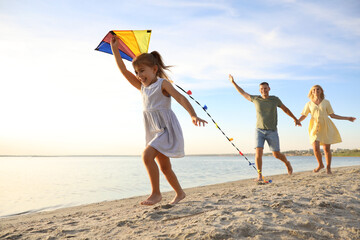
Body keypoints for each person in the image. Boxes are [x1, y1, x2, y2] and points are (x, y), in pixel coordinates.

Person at [110, 36, 207, 205]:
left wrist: (192, 114)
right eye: (137, 72)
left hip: (165, 129)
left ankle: (156, 193)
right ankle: (180, 193)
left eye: (142, 70)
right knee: (164, 167)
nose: (139, 75)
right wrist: (115, 50)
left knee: (146, 155)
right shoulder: (142, 87)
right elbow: (123, 71)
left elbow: (181, 98)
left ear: (154, 69)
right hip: (153, 129)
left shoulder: (163, 84)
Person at [229, 74, 300, 182]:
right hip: (259, 130)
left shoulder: (275, 99)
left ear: (269, 89)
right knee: (258, 152)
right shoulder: (256, 99)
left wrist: (295, 118)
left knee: (276, 154)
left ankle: (287, 163)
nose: (264, 90)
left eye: (265, 88)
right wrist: (233, 82)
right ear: (259, 90)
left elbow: (285, 109)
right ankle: (260, 176)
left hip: (272, 131)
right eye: (261, 89)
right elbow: (243, 93)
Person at [298, 85, 356, 174]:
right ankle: (320, 164)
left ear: (321, 91)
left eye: (318, 89)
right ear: (311, 92)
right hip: (314, 126)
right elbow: (304, 115)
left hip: (326, 125)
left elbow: (332, 115)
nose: (316, 91)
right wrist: (298, 120)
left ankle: (328, 168)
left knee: (326, 149)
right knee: (315, 147)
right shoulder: (308, 104)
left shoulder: (326, 102)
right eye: (314, 90)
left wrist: (347, 118)